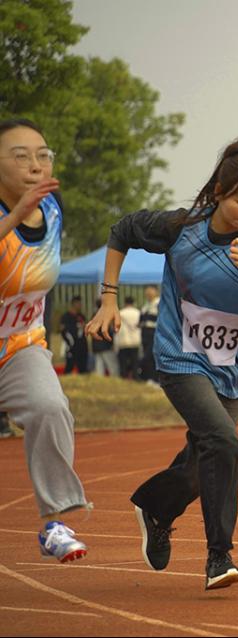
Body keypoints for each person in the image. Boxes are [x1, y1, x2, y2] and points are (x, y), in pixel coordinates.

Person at [86, 138, 238, 589]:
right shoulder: (182, 227)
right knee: (225, 443)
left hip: (232, 366)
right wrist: (108, 299)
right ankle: (219, 558)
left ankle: (155, 506)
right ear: (220, 192)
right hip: (179, 356)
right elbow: (122, 230)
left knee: (206, 461)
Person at [0, 118, 90, 562]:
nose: (35, 164)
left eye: (43, 155)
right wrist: (14, 216)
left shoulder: (53, 210)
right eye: (21, 156)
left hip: (18, 344)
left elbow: (42, 284)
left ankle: (56, 521)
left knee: (51, 405)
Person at [90, 297, 120, 377]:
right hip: (106, 345)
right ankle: (115, 382)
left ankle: (100, 384)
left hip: (96, 346)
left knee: (99, 368)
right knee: (113, 368)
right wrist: (112, 343)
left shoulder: (94, 315)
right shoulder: (106, 315)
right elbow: (109, 330)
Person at [60, 295, 89, 374]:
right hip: (72, 346)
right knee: (69, 366)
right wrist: (69, 343)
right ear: (74, 304)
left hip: (82, 346)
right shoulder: (66, 317)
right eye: (78, 303)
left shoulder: (81, 316)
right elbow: (63, 331)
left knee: (83, 368)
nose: (80, 305)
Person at [116, 295, 142, 379]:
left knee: (123, 362)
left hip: (123, 341)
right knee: (135, 362)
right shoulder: (138, 313)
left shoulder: (120, 313)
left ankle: (123, 377)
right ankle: (135, 377)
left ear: (125, 302)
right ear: (133, 303)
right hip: (135, 341)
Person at [139, 284, 160, 383]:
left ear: (156, 291)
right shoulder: (145, 305)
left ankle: (155, 379)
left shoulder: (159, 303)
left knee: (151, 356)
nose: (148, 293)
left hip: (154, 332)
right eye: (147, 291)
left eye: (150, 291)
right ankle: (149, 378)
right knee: (146, 355)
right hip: (145, 333)